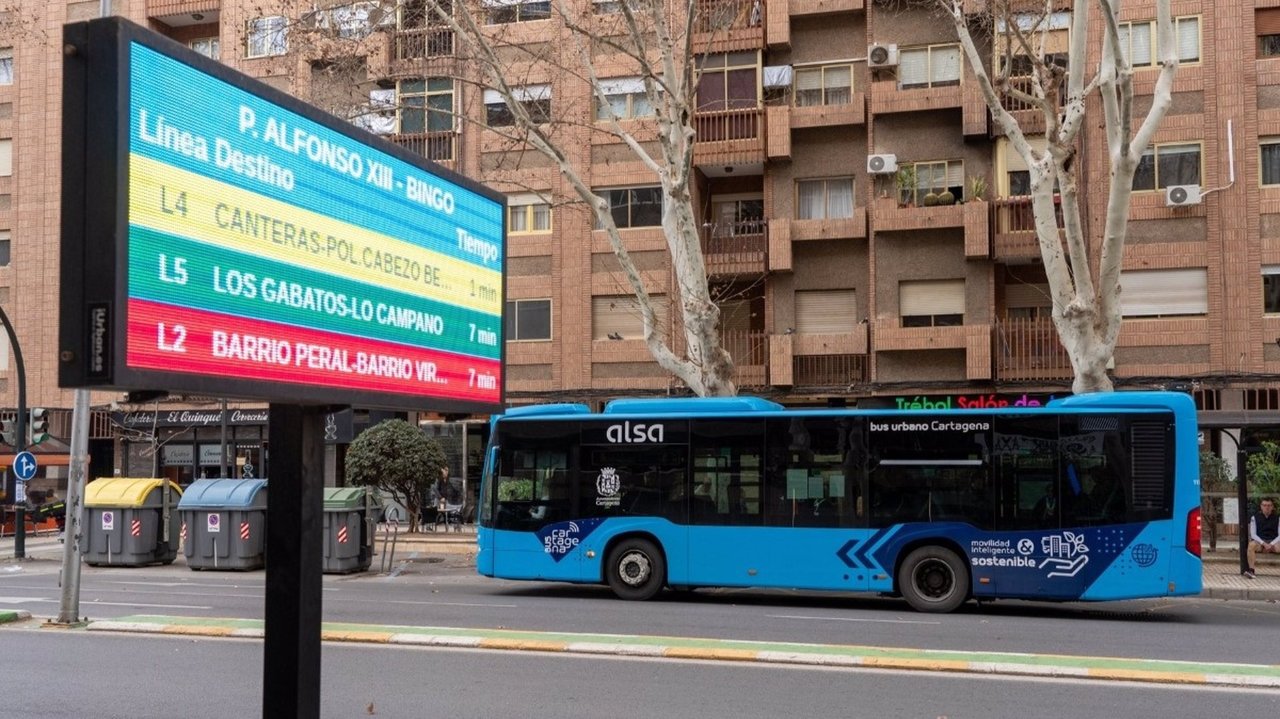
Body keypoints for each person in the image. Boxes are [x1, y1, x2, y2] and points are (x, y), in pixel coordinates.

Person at [1245, 497, 1280, 579]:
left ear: (1272, 507)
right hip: (1260, 542)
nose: (1267, 507)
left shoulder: (1278, 518)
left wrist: (1271, 544)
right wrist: (1263, 543)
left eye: (1269, 505)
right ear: (1261, 506)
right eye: (1264, 505)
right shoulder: (1254, 518)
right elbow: (1253, 534)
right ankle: (1251, 571)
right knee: (1251, 546)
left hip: (1274, 542)